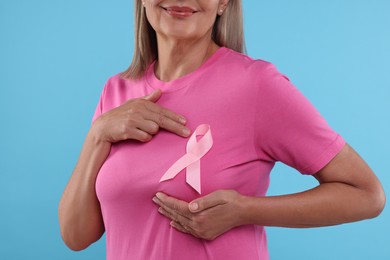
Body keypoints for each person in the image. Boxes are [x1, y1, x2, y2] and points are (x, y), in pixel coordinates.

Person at [58, 0, 386, 259]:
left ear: (224, 2)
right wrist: (98, 133)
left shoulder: (256, 85)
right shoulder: (117, 91)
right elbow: (76, 235)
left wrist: (244, 211)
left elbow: (366, 195)